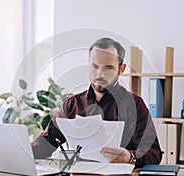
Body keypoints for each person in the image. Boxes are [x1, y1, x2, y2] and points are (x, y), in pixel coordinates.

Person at [31, 37, 162, 167]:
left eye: (108, 68)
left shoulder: (134, 104)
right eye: (95, 67)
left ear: (121, 69)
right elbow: (47, 141)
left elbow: (154, 152)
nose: (100, 74)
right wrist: (24, 151)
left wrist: (130, 157)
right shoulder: (72, 104)